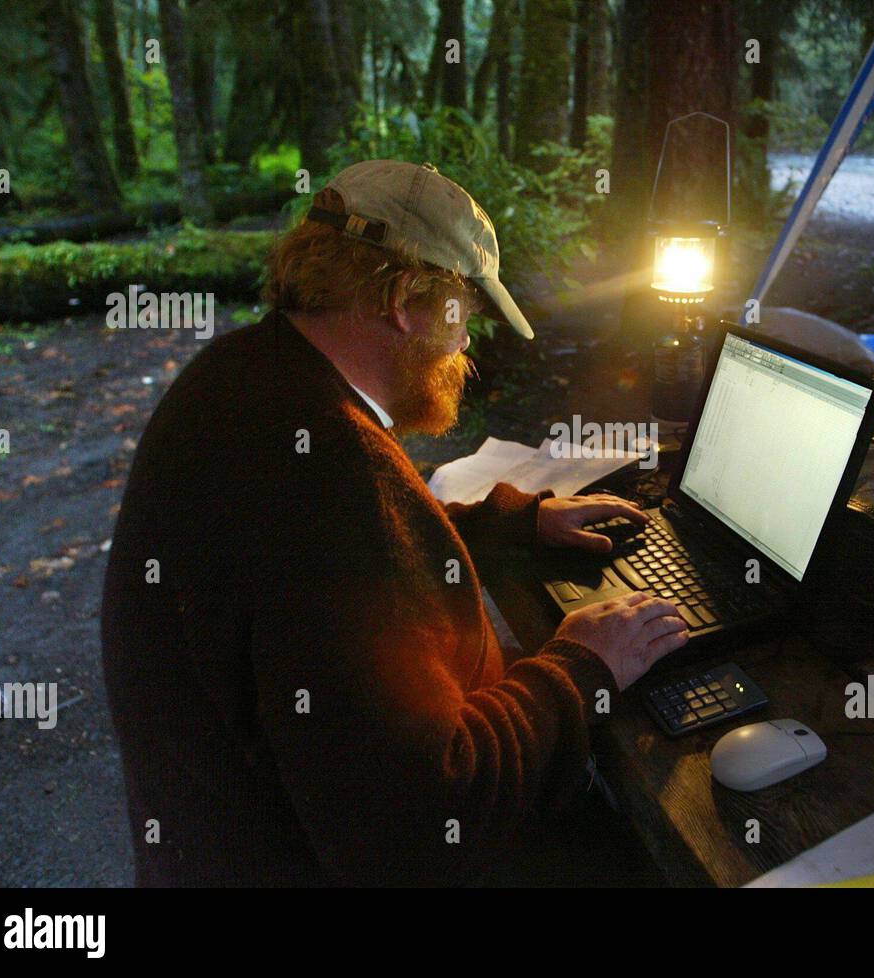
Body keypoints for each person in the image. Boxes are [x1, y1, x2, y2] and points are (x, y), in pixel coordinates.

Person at [101, 160, 689, 886]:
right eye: (464, 310)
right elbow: (429, 815)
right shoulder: (326, 475)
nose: (466, 341)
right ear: (409, 300)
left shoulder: (243, 378)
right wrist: (583, 666)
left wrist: (511, 527)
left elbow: (357, 560)